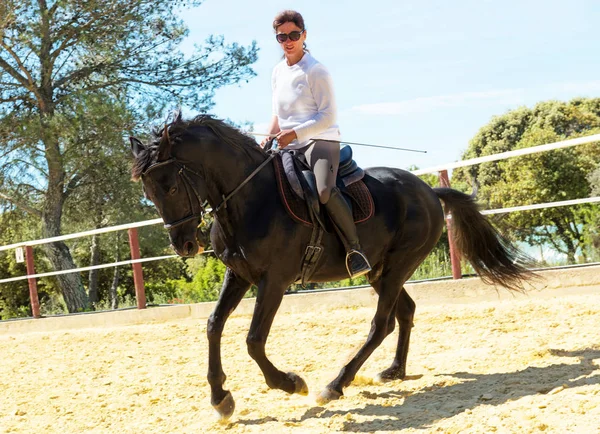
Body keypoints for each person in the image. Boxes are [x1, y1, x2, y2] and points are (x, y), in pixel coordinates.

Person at [262, 10, 371, 278]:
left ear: (304, 35)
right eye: (282, 36)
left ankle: (355, 251)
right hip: (288, 144)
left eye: (293, 35)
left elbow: (328, 116)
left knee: (323, 190)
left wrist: (294, 134)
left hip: (320, 142)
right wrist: (269, 135)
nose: (288, 41)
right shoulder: (277, 72)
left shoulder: (316, 71)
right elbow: (278, 114)